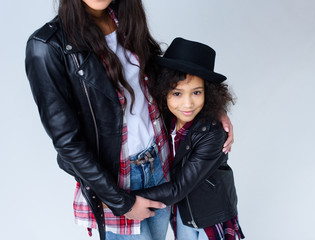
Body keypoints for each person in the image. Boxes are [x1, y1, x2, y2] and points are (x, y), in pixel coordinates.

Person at [25, 0, 234, 239]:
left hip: (159, 163)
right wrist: (120, 201)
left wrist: (209, 108)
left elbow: (165, 82)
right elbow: (67, 143)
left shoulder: (125, 20)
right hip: (115, 181)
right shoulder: (46, 46)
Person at [133, 38, 245, 240]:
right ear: (163, 91)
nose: (187, 104)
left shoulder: (212, 133)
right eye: (177, 93)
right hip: (183, 213)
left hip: (211, 218)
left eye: (196, 92)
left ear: (209, 94)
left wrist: (124, 201)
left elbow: (177, 187)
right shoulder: (164, 120)